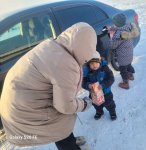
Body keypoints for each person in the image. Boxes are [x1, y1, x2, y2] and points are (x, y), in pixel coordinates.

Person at [0, 22, 97, 150]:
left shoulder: (51, 45)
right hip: (26, 110)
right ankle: (70, 147)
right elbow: (65, 106)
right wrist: (85, 103)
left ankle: (71, 141)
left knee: (60, 122)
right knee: (57, 126)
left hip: (16, 103)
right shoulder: (66, 64)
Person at [104, 13, 136, 89]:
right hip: (129, 54)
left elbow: (113, 45)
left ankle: (125, 83)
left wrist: (111, 36)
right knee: (128, 65)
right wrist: (111, 28)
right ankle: (131, 75)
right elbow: (117, 28)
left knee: (123, 70)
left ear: (117, 23)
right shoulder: (128, 27)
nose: (113, 24)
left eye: (114, 23)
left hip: (122, 57)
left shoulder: (119, 35)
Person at [82, 51, 117, 120]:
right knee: (96, 105)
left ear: (100, 62)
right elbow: (83, 83)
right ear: (89, 64)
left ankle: (112, 112)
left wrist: (103, 85)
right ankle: (99, 112)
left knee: (109, 104)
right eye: (92, 63)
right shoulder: (87, 72)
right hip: (94, 94)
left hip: (106, 93)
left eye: (96, 63)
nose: (94, 65)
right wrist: (88, 85)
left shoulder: (105, 69)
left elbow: (111, 78)